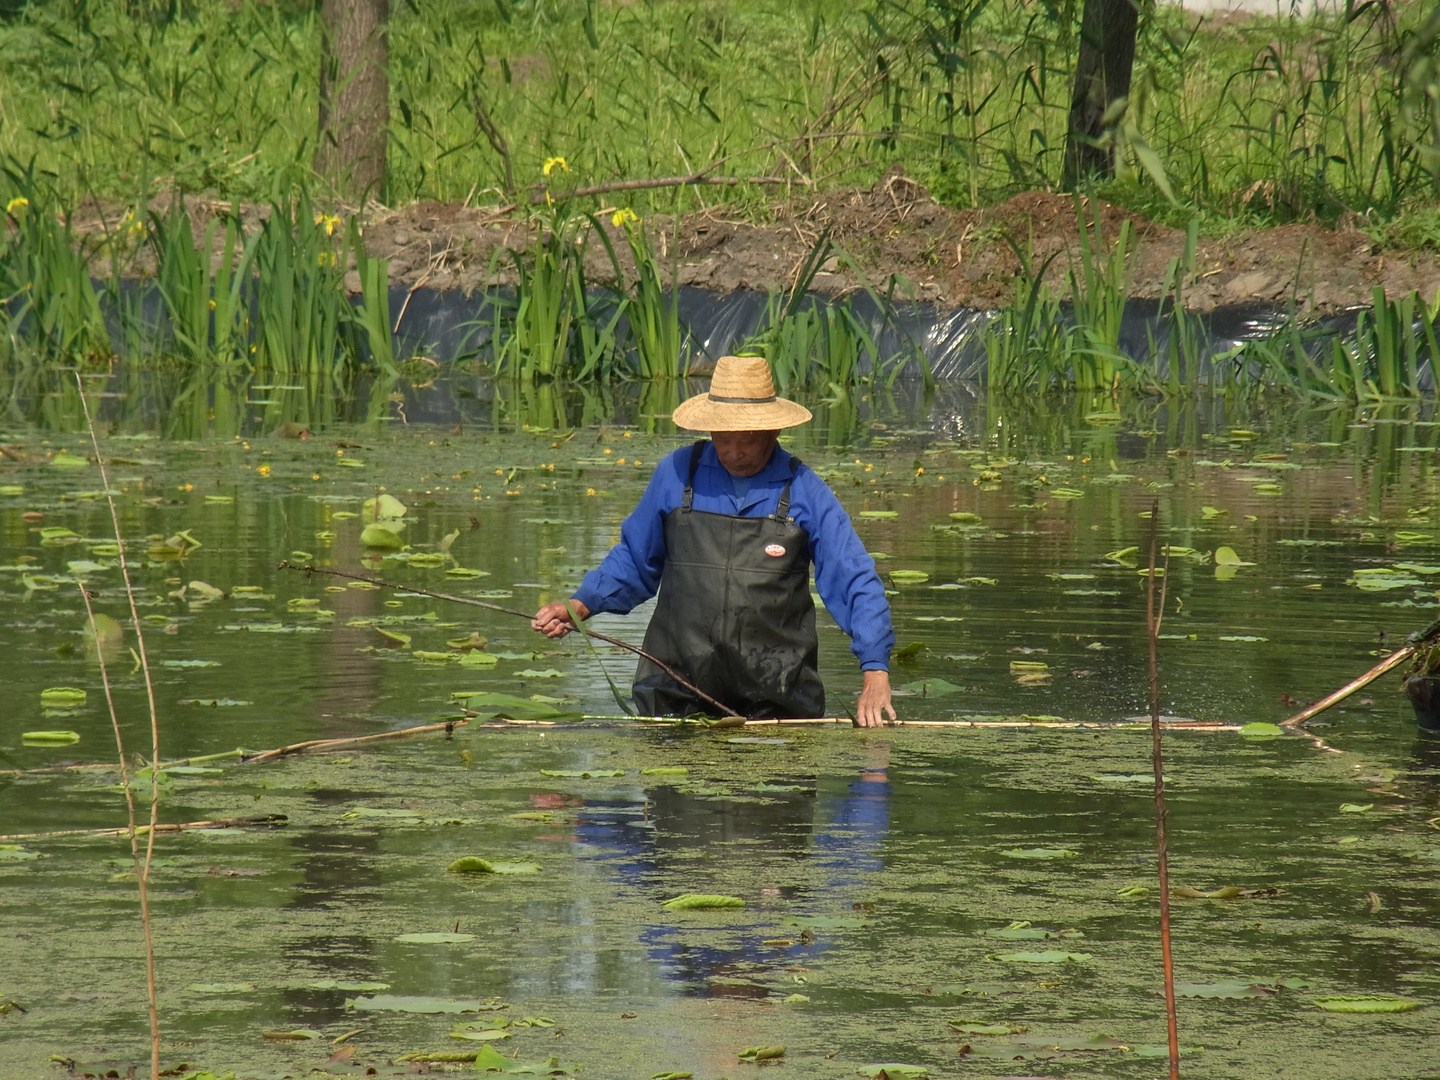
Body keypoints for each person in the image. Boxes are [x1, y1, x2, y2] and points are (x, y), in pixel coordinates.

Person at [533, 355, 896, 726]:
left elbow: (854, 580)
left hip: (779, 700)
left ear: (774, 432)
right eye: (723, 439)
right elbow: (634, 560)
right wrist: (581, 604)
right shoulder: (676, 474)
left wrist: (875, 671)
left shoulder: (804, 490)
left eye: (748, 440)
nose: (734, 452)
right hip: (675, 691)